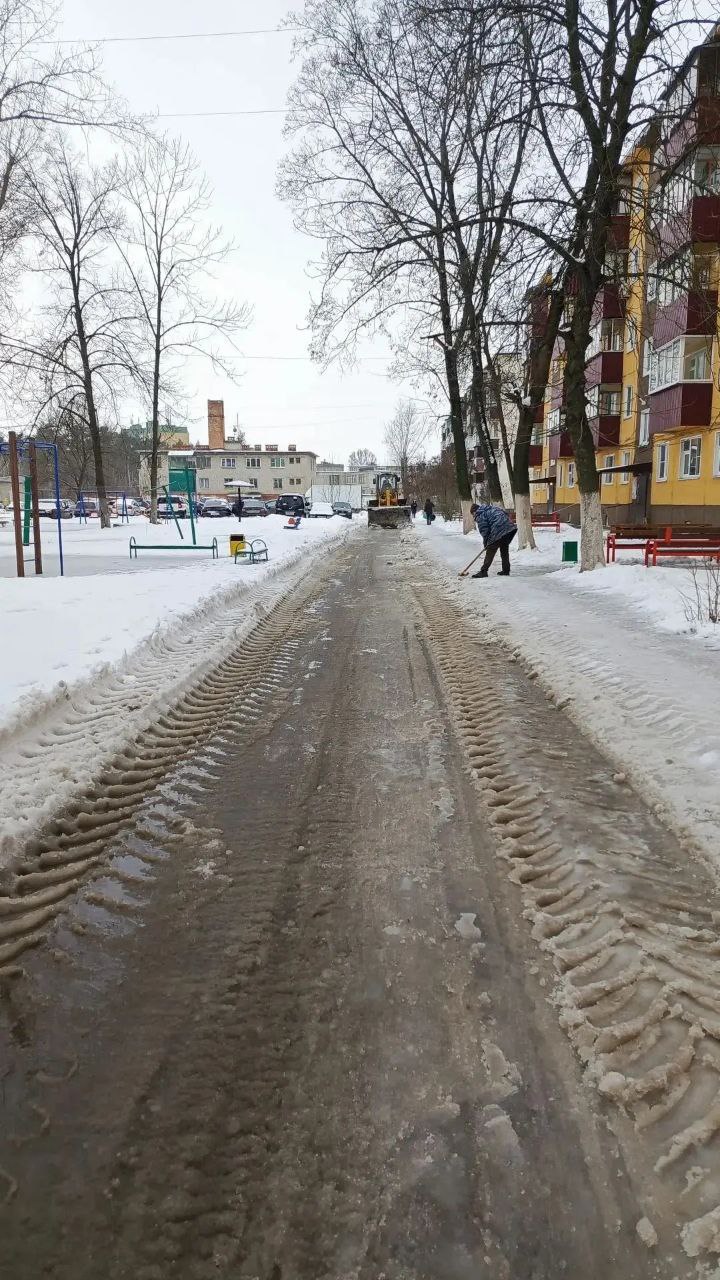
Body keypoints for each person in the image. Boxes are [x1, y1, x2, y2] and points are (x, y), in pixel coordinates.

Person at [470, 503, 517, 577]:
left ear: (474, 511)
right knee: (504, 549)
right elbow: (505, 514)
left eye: (473, 514)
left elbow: (485, 531)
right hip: (510, 528)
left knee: (491, 550)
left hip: (499, 529)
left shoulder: (480, 514)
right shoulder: (492, 509)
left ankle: (483, 571)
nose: (473, 516)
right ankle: (506, 570)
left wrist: (486, 544)